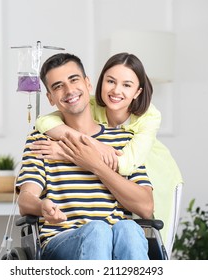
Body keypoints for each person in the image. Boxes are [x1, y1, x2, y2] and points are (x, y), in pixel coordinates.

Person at [32, 53, 183, 244]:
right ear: (99, 82)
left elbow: (125, 164)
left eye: (127, 85)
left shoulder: (150, 116)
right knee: (121, 230)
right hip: (115, 175)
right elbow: (44, 121)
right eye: (110, 81)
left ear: (137, 91)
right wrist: (94, 143)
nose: (116, 90)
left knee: (152, 234)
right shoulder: (92, 103)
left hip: (157, 173)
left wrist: (66, 153)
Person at [16, 53, 153, 260]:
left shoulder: (124, 140)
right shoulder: (41, 140)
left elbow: (145, 207)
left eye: (74, 80)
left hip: (118, 240)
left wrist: (96, 166)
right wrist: (42, 206)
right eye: (58, 86)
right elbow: (26, 199)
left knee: (130, 230)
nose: (69, 90)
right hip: (62, 240)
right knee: (97, 230)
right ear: (50, 98)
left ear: (88, 84)